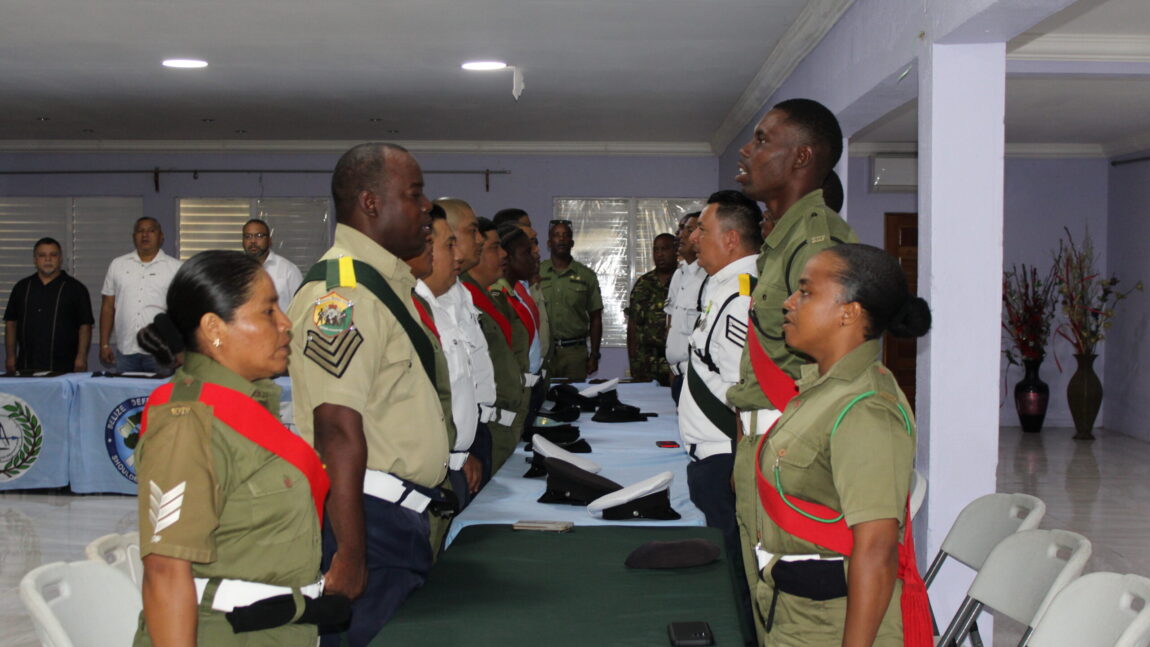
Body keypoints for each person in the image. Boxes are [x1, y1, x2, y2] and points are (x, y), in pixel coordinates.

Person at [288, 143, 449, 647]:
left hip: (396, 518)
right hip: (366, 522)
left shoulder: (387, 282)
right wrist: (351, 555)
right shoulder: (342, 293)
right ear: (371, 203)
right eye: (416, 194)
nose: (427, 207)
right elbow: (335, 427)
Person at [133, 250, 328, 647]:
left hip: (279, 628)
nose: (286, 323)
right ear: (215, 328)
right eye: (269, 311)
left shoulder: (246, 406)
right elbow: (166, 572)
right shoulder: (187, 423)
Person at [751, 243, 932, 647]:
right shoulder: (825, 390)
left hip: (831, 624)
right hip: (797, 610)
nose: (788, 303)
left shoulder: (867, 409)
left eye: (806, 292)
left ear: (849, 312)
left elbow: (877, 550)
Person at [725, 99, 858, 641]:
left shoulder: (817, 242)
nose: (746, 149)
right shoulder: (784, 240)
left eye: (761, 139)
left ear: (802, 155)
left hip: (789, 454)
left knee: (794, 612)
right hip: (764, 443)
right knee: (763, 595)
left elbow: (835, 368)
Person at [675, 191, 762, 642]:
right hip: (715, 452)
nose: (693, 238)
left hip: (725, 457)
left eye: (702, 231)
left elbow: (744, 390)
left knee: (734, 571)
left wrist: (741, 458)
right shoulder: (724, 287)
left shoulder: (741, 296)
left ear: (730, 239)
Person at [438, 198, 498, 483]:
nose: (479, 240)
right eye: (471, 231)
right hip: (451, 451)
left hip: (476, 431)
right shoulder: (429, 296)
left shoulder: (461, 291)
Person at [462, 218, 525, 471]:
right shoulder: (464, 299)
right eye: (493, 248)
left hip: (503, 422)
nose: (503, 255)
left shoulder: (486, 297)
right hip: (486, 425)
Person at [99, 216, 182, 373]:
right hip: (126, 352)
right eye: (140, 231)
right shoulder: (118, 265)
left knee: (160, 398)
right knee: (126, 397)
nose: (145, 235)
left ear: (161, 236)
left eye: (151, 230)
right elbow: (108, 307)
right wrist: (104, 344)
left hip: (161, 353)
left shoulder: (176, 268)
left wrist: (180, 349)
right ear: (134, 237)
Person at [4, 237, 94, 373]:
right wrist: (10, 356)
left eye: (53, 255)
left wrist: (81, 357)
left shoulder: (76, 289)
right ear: (35, 259)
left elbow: (85, 326)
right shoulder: (22, 287)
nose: (48, 259)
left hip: (65, 366)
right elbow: (11, 323)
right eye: (42, 255)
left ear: (61, 258)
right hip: (27, 365)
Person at [539, 219, 603, 380]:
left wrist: (594, 355)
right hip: (543, 352)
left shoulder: (586, 275)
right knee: (541, 401)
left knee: (575, 400)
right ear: (549, 242)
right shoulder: (536, 273)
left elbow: (596, 318)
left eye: (566, 236)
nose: (561, 239)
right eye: (556, 235)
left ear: (572, 242)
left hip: (575, 354)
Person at [625, 233, 676, 385]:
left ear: (675, 251)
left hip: (673, 365)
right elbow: (632, 326)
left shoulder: (684, 282)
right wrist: (633, 362)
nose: (660, 254)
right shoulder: (642, 284)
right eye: (656, 250)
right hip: (644, 364)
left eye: (665, 249)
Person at [665, 211, 704, 401]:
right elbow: (671, 323)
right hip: (678, 374)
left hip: (698, 378)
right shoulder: (679, 275)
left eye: (688, 230)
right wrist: (673, 368)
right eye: (681, 229)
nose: (680, 235)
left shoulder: (709, 276)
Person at [242, 219, 303, 315]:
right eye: (248, 236)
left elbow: (300, 310)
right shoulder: (236, 271)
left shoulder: (288, 270)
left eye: (259, 236)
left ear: (269, 240)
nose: (253, 241)